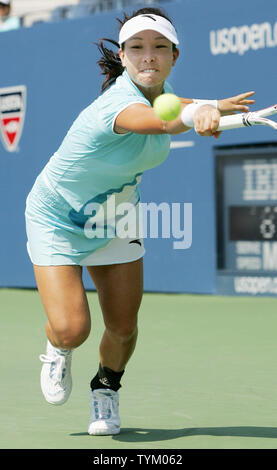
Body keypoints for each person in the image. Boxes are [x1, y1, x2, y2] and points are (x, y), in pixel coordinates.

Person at [25, 6, 255, 435]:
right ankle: (58, 346)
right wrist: (195, 116)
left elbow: (173, 104)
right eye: (137, 48)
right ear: (123, 58)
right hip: (56, 217)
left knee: (125, 328)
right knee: (73, 328)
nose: (148, 56)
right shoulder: (115, 107)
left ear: (174, 56)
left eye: (159, 48)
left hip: (117, 214)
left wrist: (211, 105)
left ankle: (106, 389)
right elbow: (156, 120)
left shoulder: (163, 94)